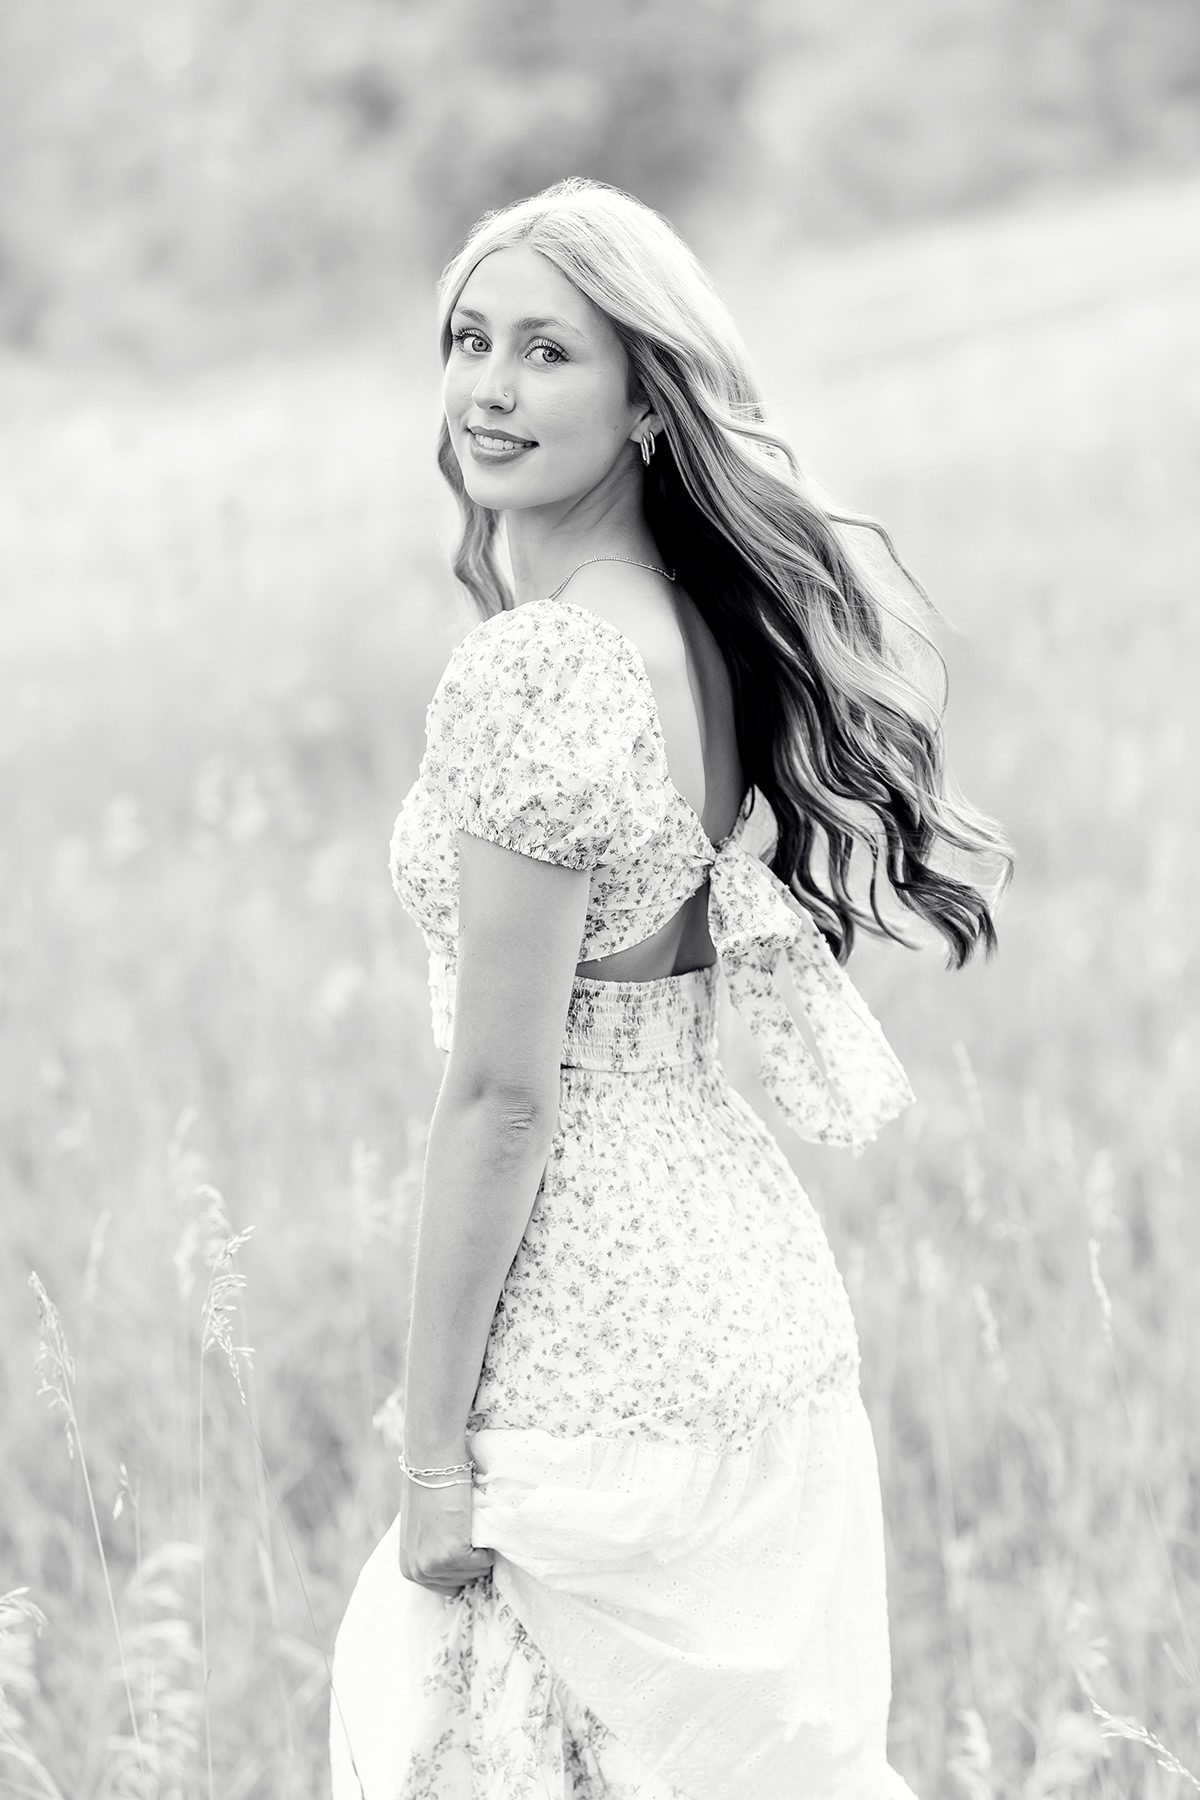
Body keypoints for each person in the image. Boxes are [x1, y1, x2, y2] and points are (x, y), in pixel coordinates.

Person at [329, 176, 1012, 1799]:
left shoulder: (547, 660)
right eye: (468, 339)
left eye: (547, 350)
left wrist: (433, 1467)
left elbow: (504, 1095)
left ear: (649, 401)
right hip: (744, 1291)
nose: (487, 388)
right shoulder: (689, 631)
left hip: (591, 1334)